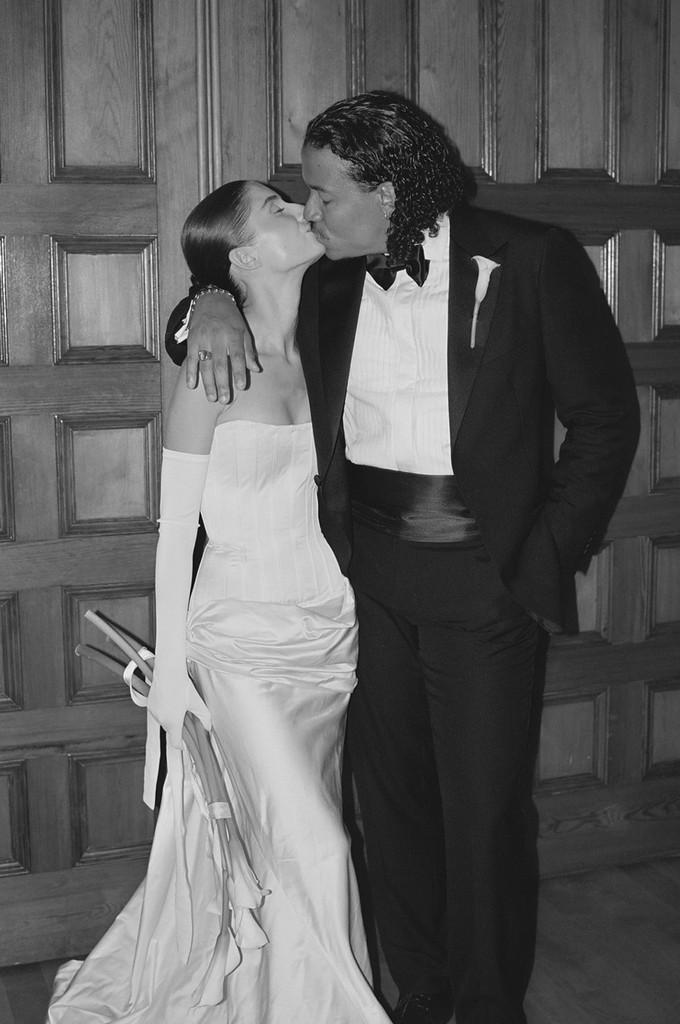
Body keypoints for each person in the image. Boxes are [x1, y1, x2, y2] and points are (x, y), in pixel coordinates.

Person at [165, 92, 641, 1024]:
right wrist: (207, 302)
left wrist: (543, 554)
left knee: (485, 810)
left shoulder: (530, 257)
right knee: (393, 807)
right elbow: (221, 299)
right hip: (363, 583)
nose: (310, 210)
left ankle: (486, 1000)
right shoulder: (333, 277)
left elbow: (603, 420)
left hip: (483, 578)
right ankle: (420, 990)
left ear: (386, 191)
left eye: (325, 193)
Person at [46, 180, 393, 1024]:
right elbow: (172, 534)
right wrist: (170, 675)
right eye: (275, 209)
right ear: (239, 257)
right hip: (237, 637)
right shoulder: (208, 365)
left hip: (324, 627)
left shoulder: (327, 336)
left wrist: (208, 297)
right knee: (316, 841)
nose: (297, 208)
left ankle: (263, 995)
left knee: (273, 838)